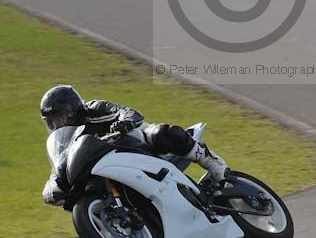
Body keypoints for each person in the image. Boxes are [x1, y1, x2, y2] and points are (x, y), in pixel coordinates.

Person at [40, 84, 229, 205]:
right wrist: (51, 191)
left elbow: (128, 112)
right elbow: (59, 169)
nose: (57, 126)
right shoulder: (63, 141)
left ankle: (214, 164)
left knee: (159, 133)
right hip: (106, 170)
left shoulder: (95, 109)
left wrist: (125, 121)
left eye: (60, 118)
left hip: (132, 144)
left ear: (73, 111)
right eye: (51, 122)